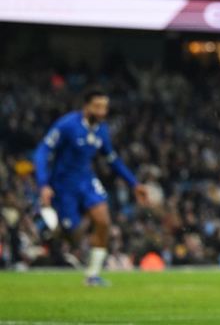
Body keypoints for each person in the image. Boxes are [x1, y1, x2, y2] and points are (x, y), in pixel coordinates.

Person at [33, 86, 149, 286]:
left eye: (105, 107)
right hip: (63, 185)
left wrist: (134, 183)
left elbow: (112, 159)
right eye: (97, 106)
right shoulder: (68, 125)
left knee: (104, 222)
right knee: (72, 235)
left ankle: (92, 275)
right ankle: (46, 220)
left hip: (86, 180)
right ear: (86, 107)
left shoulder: (102, 129)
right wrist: (44, 184)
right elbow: (42, 151)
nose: (102, 111)